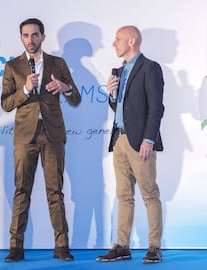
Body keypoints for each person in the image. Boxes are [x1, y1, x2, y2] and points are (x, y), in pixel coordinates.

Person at [1, 18, 81, 262]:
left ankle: (62, 245)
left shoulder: (58, 63)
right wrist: (25, 90)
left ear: (43, 37)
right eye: (26, 35)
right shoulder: (13, 66)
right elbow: (5, 103)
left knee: (55, 191)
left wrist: (64, 87)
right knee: (21, 190)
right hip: (25, 136)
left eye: (35, 35)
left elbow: (76, 98)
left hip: (52, 134)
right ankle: (16, 246)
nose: (31, 40)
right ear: (21, 38)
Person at [96, 25, 164, 264]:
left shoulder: (150, 68)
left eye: (118, 39)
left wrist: (149, 139)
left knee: (149, 194)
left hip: (140, 142)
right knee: (124, 195)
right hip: (119, 139)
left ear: (132, 41)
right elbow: (121, 109)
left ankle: (154, 246)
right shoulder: (120, 70)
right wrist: (111, 95)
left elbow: (156, 107)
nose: (114, 43)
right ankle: (122, 245)